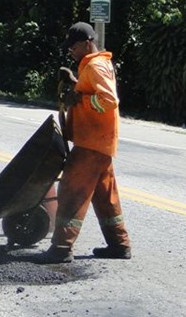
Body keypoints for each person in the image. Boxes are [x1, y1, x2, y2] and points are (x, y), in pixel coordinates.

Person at [39, 22, 131, 263]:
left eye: (74, 46)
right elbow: (90, 91)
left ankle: (61, 247)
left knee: (71, 190)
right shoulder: (94, 64)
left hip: (91, 143)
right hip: (100, 143)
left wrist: (80, 100)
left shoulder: (96, 65)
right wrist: (75, 85)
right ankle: (119, 245)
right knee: (105, 196)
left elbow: (109, 100)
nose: (70, 51)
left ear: (87, 43)